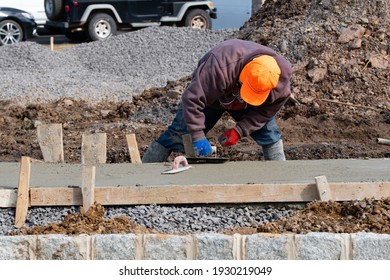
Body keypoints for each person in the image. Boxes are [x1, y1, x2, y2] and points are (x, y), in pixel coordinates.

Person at [142, 39, 292, 162]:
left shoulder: (280, 83)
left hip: (245, 104)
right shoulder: (219, 66)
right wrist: (198, 136)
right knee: (178, 134)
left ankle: (281, 182)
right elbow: (192, 100)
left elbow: (264, 113)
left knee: (270, 134)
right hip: (211, 99)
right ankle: (143, 175)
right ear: (243, 76)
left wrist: (239, 131)